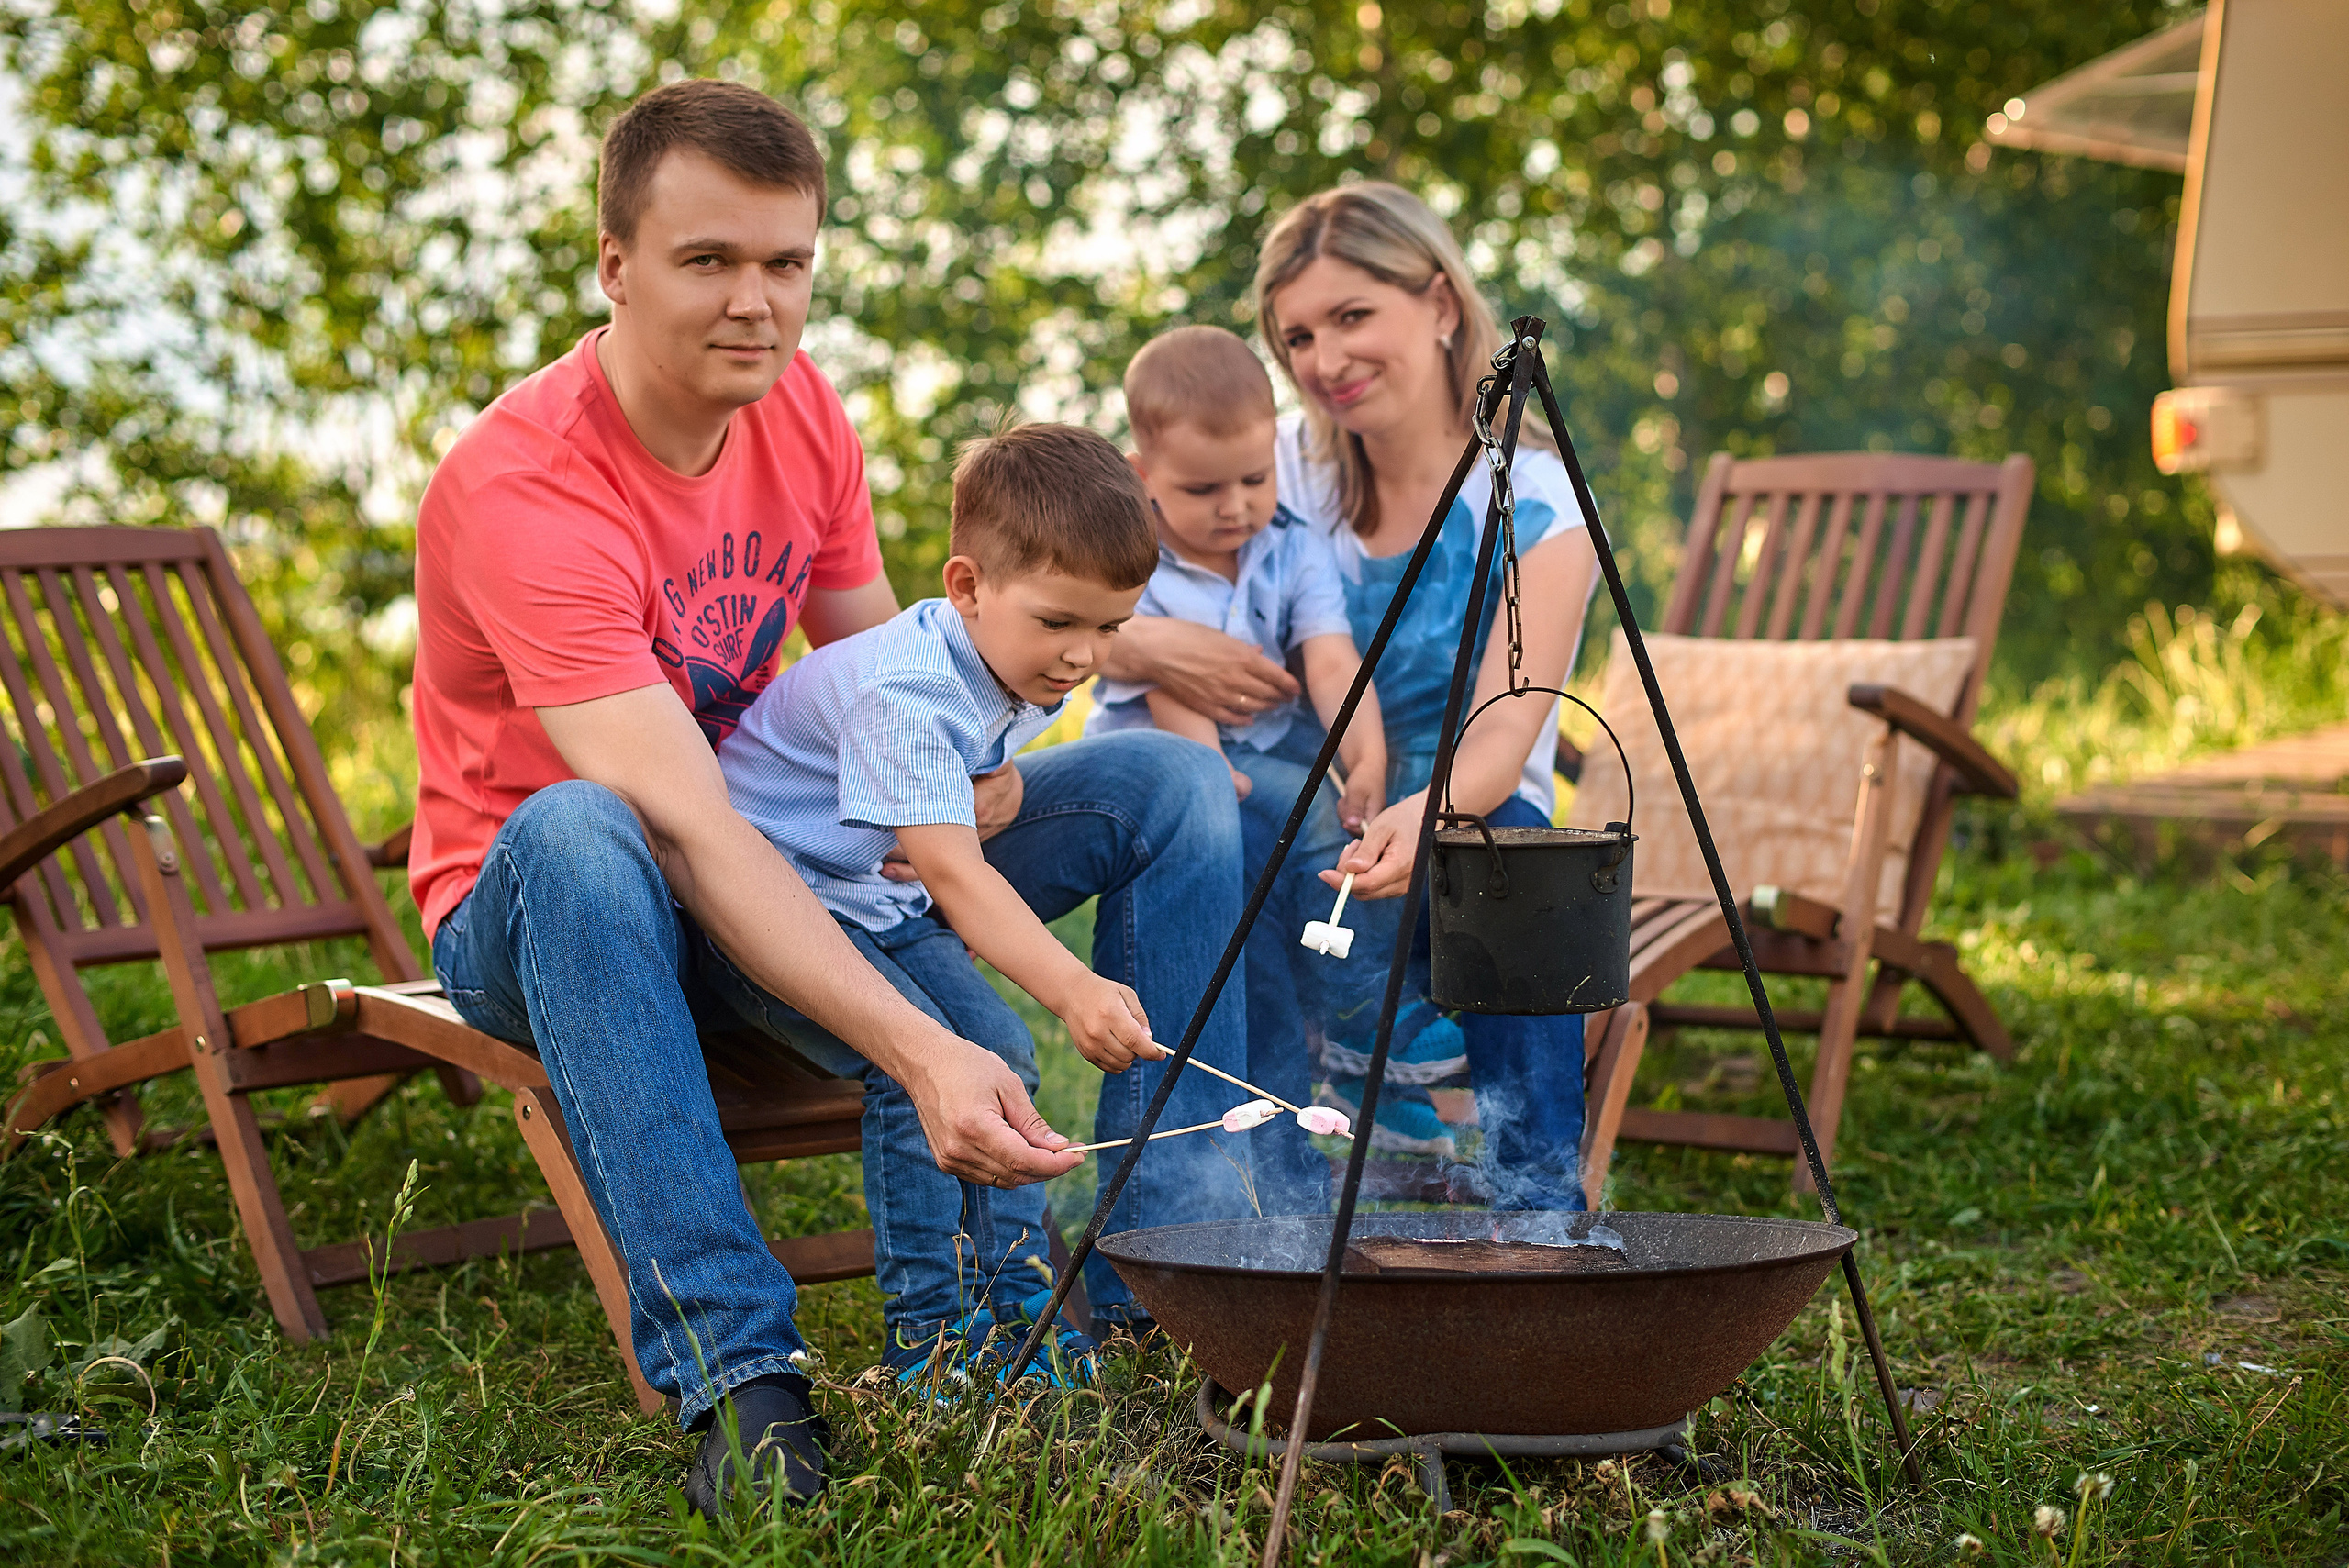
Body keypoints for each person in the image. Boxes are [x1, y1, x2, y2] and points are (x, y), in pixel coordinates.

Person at [411, 80, 1250, 1519]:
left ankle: (1150, 1288)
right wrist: (924, 1048)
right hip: (571, 911)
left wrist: (972, 779)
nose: (758, 302)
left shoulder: (801, 415)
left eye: (786, 262)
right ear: (614, 265)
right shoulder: (525, 487)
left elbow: (890, 676)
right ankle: (740, 1377)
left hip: (787, 861)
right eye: (709, 260)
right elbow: (687, 829)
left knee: (1168, 782)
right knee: (585, 825)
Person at [716, 423, 1231, 1383]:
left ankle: (1012, 1297)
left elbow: (971, 808)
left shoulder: (1015, 658)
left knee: (1002, 1056)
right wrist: (1076, 986)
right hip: (761, 906)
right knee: (924, 1072)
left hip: (862, 895)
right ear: (966, 585)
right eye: (1058, 623)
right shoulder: (904, 692)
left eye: (1109, 628)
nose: (1083, 656)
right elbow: (957, 879)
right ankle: (930, 1333)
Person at [1122, 181, 1599, 1204]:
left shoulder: (1537, 495)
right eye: (1297, 335)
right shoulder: (1268, 476)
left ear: (1436, 304)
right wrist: (1149, 643)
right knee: (1214, 835)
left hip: (1466, 795)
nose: (1323, 361)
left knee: (1514, 869)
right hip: (1314, 795)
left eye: (1351, 316)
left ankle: (1536, 1213)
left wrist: (1421, 814)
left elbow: (1510, 727)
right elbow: (1090, 600)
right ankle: (1247, 1205)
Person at [1088, 326, 1386, 1214]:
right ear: (1142, 470)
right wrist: (1209, 770)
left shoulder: (1292, 545)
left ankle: (1347, 998)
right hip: (1166, 766)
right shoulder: (1129, 554)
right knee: (1246, 881)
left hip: (1273, 762)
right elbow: (1159, 679)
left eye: (1255, 479)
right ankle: (1287, 1045)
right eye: (1202, 487)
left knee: (1327, 829)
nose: (1234, 506)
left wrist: (1361, 750)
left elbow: (1329, 660)